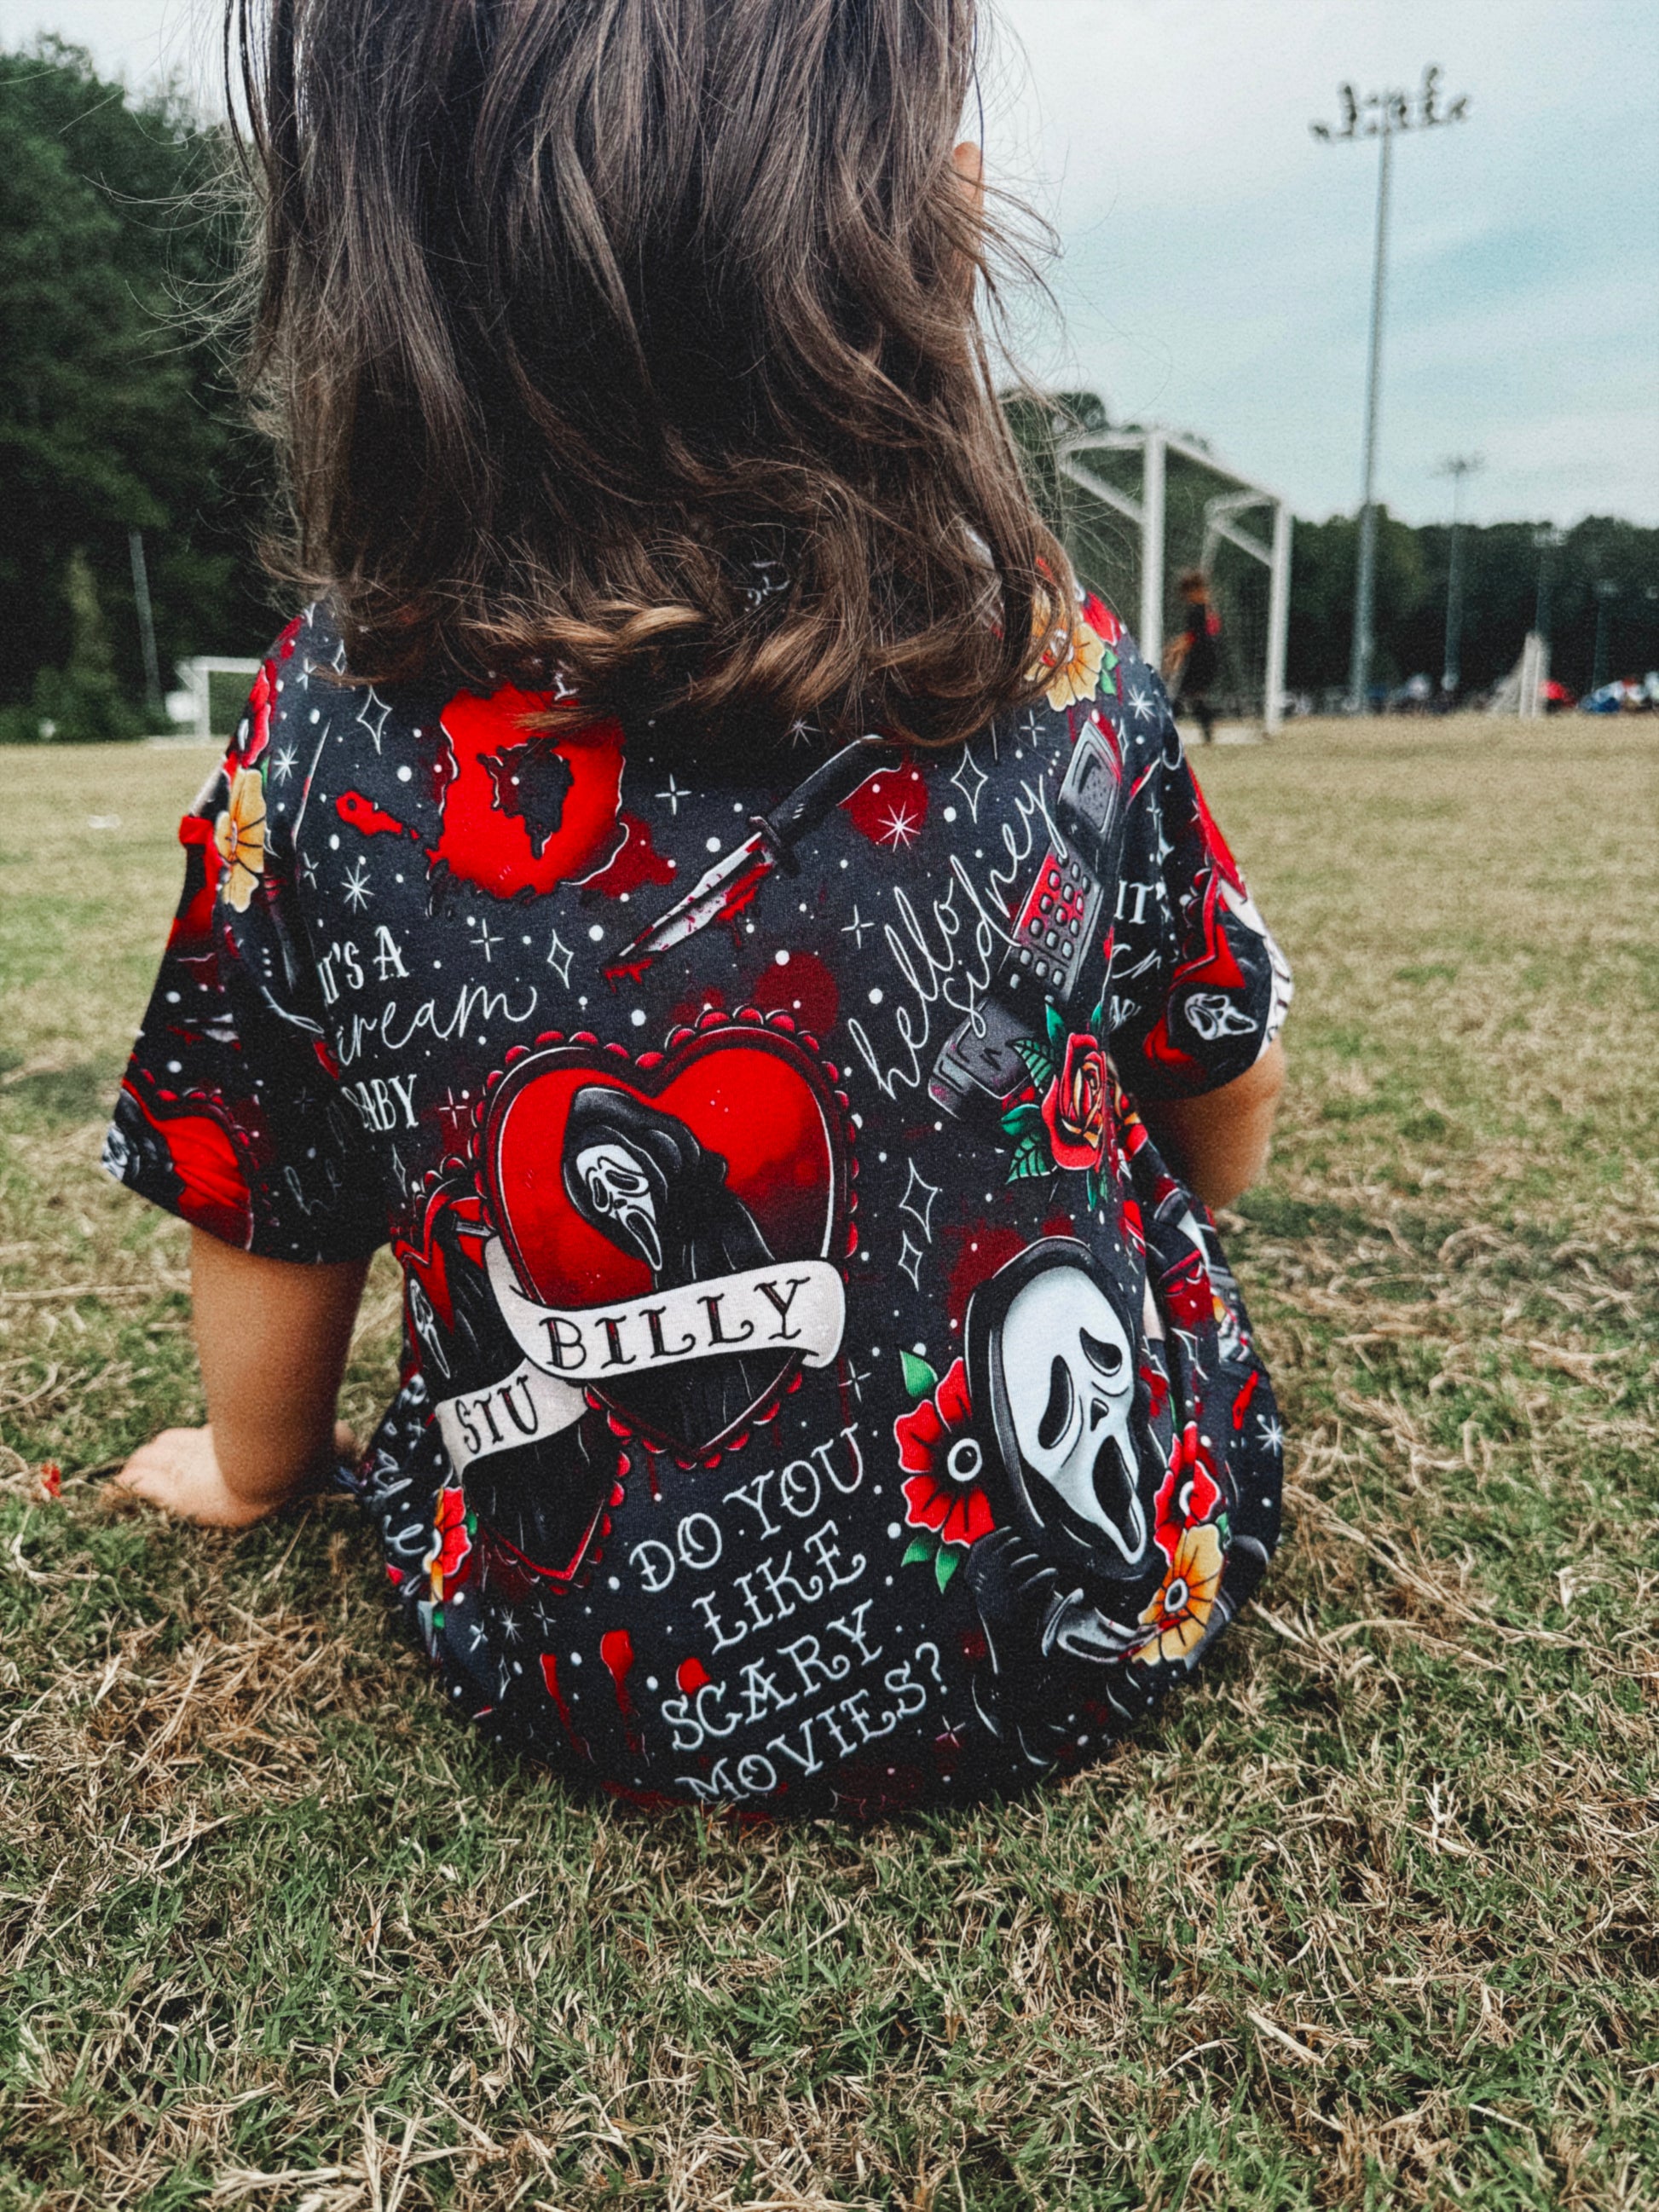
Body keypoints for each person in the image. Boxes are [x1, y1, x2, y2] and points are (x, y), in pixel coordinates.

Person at [107, 0, 1292, 1819]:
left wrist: (257, 1464)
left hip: (568, 1664)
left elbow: (261, 1184)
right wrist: (1155, 1210)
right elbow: (1218, 1079)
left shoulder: (328, 726)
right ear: (927, 237)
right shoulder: (1041, 658)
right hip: (1108, 1591)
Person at [1162, 569, 1223, 744]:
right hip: (1208, 659)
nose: (1186, 599)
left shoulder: (1197, 611)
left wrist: (1173, 650)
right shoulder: (1208, 609)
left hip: (1201, 660)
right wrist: (1176, 648)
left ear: (1195, 591)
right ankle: (1207, 730)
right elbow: (1195, 636)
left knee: (1184, 697)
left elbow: (1191, 638)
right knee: (1194, 697)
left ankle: (1164, 728)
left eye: (1187, 594)